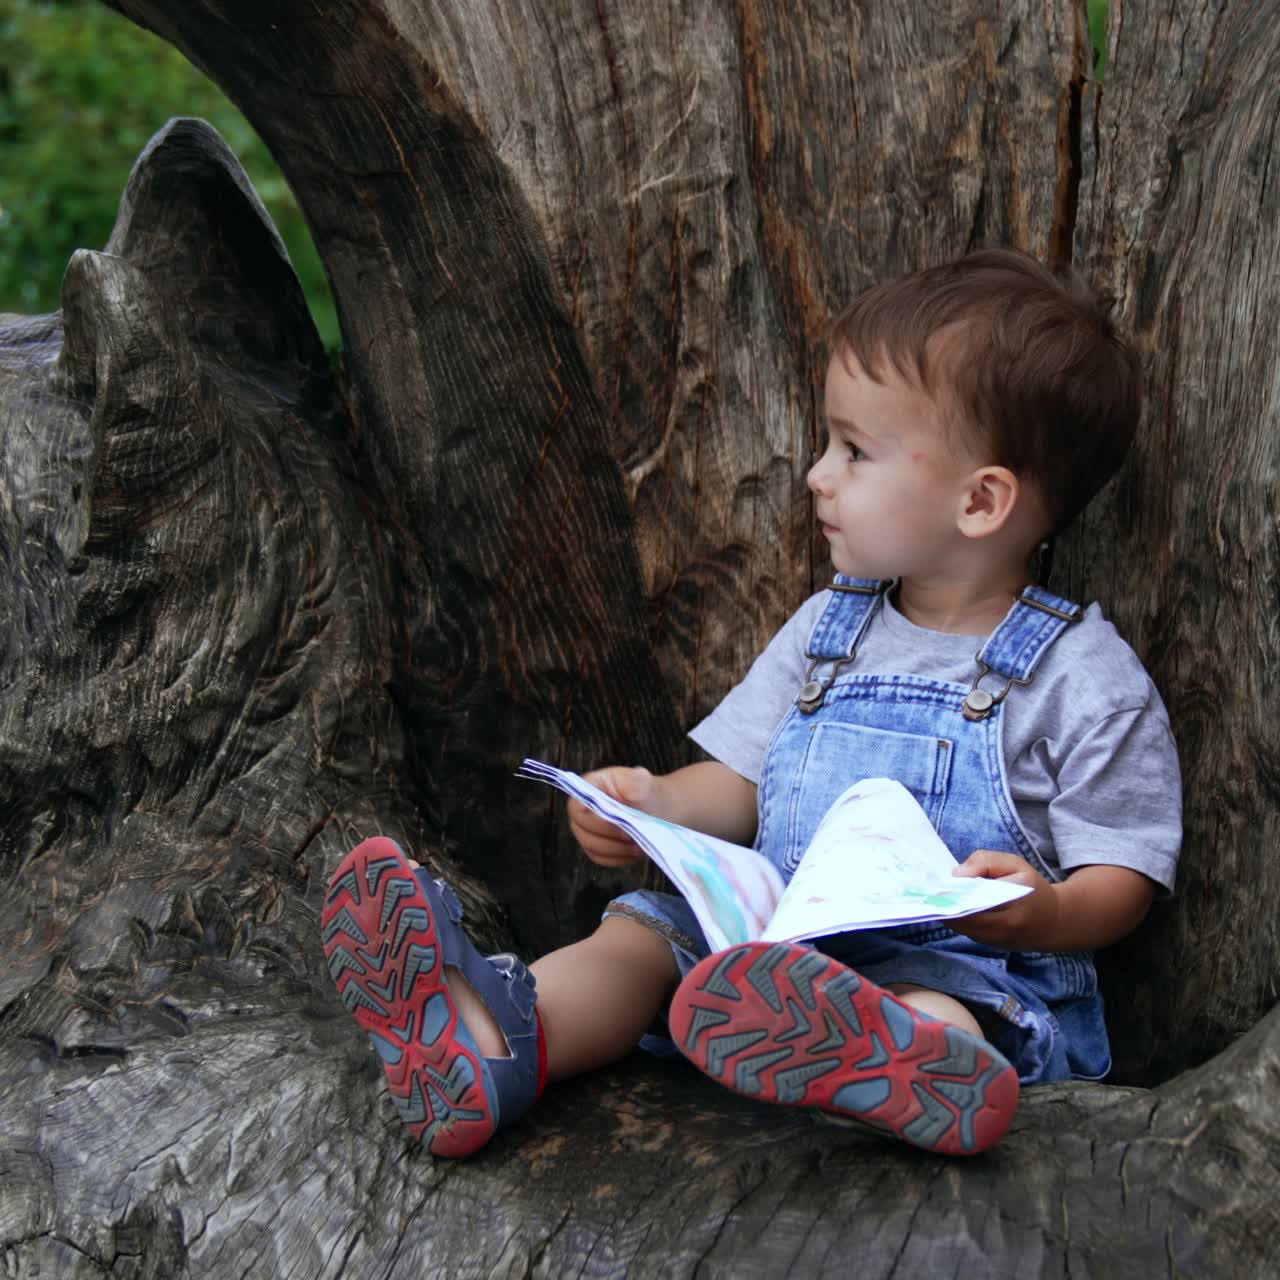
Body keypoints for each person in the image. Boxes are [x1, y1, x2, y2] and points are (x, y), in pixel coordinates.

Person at [321, 248, 1181, 1159]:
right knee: (647, 934)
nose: (817, 474)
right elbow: (738, 785)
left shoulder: (1080, 675)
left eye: (855, 451)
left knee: (937, 1003)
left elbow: (1123, 877)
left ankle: (909, 1067)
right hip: (770, 956)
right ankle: (491, 1041)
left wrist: (1041, 914)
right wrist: (652, 804)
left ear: (980, 501)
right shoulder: (827, 630)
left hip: (960, 963)